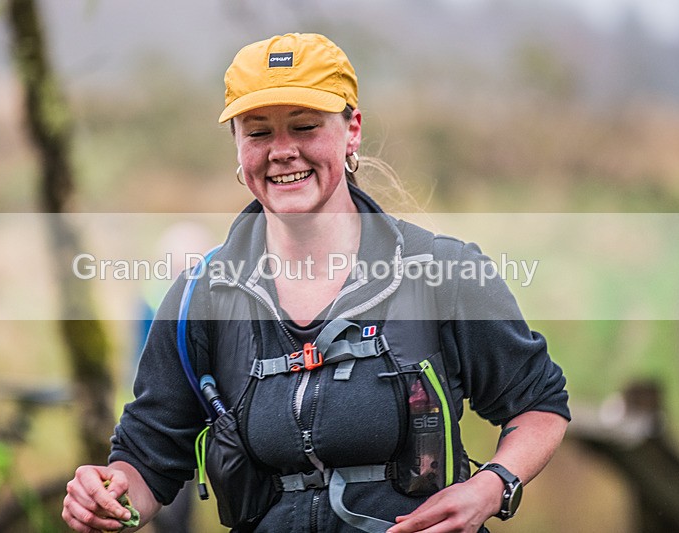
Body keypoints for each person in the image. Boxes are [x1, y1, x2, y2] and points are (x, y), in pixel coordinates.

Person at [62, 33, 570, 533]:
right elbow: (147, 460)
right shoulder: (202, 296)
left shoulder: (442, 271)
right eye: (258, 133)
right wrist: (108, 495)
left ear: (352, 131)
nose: (282, 151)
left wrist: (492, 487)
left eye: (304, 127)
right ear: (237, 144)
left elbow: (539, 404)